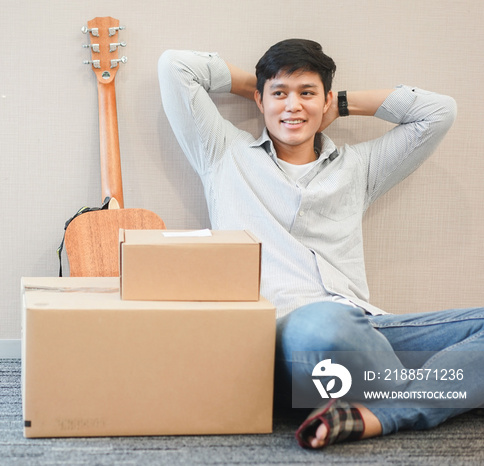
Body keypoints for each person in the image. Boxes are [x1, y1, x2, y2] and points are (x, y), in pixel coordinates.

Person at [158, 40, 483, 449]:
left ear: (325, 100)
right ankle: (436, 388)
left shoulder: (359, 168)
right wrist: (259, 88)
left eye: (306, 93)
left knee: (345, 322)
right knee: (328, 323)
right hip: (293, 334)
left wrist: (339, 104)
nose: (293, 105)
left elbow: (438, 112)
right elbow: (175, 67)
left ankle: (381, 410)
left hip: (371, 328)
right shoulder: (223, 154)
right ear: (260, 99)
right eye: (280, 94)